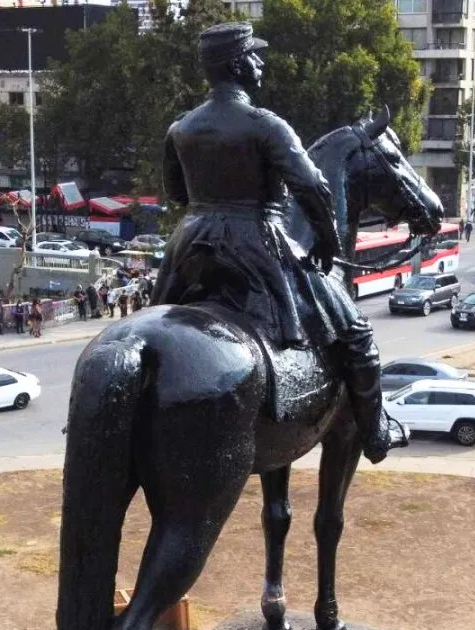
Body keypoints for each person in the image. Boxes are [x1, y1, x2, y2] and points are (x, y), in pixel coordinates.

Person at [150, 22, 412, 463]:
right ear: (236, 65)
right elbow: (313, 188)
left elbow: (176, 194)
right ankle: (375, 431)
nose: (260, 63)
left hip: (189, 247)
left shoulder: (181, 128)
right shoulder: (266, 126)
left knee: (157, 320)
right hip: (256, 241)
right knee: (357, 332)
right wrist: (328, 242)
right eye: (254, 56)